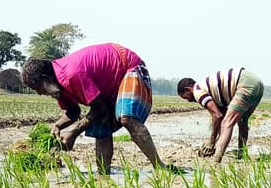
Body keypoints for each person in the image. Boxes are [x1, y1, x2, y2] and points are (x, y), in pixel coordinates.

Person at [21, 42, 172, 174]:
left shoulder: (72, 75)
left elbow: (99, 109)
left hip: (127, 66)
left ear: (45, 79)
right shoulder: (58, 88)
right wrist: (58, 125)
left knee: (127, 117)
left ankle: (159, 166)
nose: (40, 93)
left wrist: (73, 132)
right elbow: (72, 112)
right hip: (105, 85)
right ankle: (104, 175)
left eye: (38, 88)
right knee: (99, 127)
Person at [177, 67, 264, 163]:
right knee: (242, 121)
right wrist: (216, 141)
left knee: (227, 123)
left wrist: (211, 142)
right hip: (257, 84)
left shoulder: (197, 91)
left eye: (186, 97)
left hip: (244, 82)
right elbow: (221, 116)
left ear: (188, 89)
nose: (189, 101)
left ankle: (217, 160)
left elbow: (217, 115)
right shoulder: (211, 91)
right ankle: (241, 153)